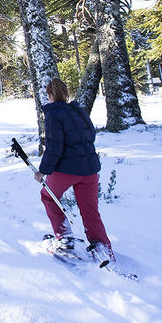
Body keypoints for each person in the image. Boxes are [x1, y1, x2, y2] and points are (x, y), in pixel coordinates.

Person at [35, 78, 113, 265]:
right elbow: (91, 135)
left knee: (48, 196)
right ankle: (102, 246)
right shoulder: (78, 110)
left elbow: (54, 147)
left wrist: (42, 171)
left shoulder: (54, 114)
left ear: (50, 95)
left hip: (67, 169)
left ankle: (64, 237)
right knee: (90, 210)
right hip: (90, 169)